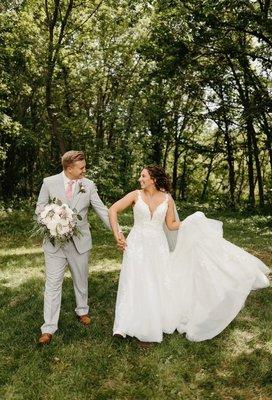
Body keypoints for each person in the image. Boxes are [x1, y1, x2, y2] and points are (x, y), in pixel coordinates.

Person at [109, 166, 270, 343]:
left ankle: (155, 320)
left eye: (143, 176)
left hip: (158, 245)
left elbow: (171, 225)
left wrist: (191, 222)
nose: (140, 179)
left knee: (156, 280)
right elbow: (113, 210)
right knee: (133, 279)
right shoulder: (135, 195)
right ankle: (123, 325)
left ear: (153, 179)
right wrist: (118, 234)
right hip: (137, 243)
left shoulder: (167, 199)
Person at [35, 150, 124, 345]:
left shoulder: (88, 185)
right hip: (54, 245)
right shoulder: (49, 182)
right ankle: (48, 328)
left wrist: (117, 232)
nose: (85, 170)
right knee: (52, 284)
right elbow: (39, 209)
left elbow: (101, 209)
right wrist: (51, 222)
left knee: (81, 280)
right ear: (69, 168)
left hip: (80, 243)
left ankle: (82, 311)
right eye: (81, 167)